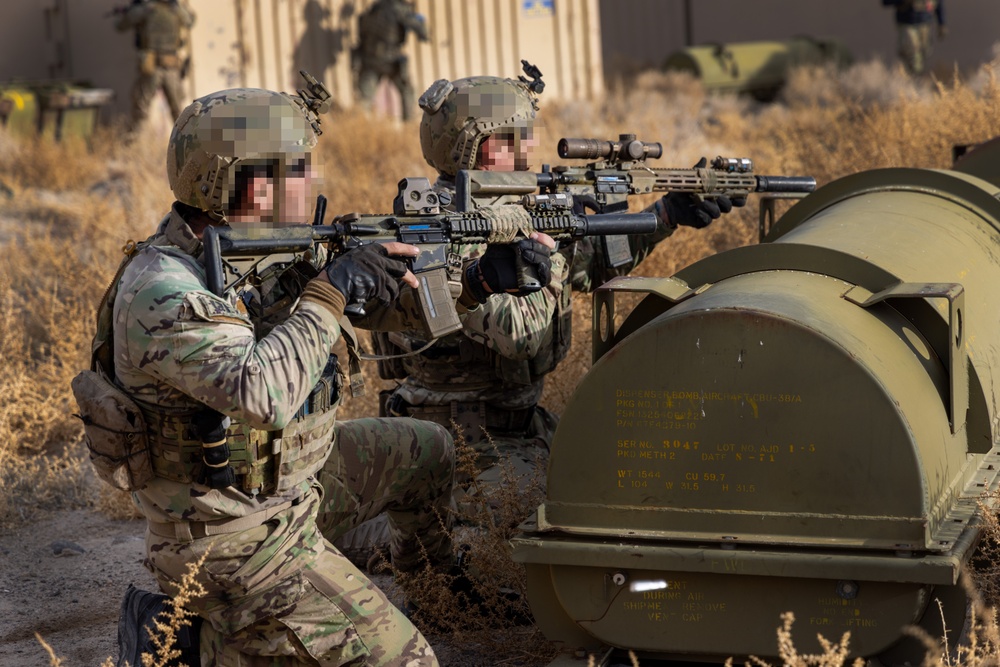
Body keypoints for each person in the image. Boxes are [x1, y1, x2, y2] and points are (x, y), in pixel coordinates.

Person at [73, 81, 550, 665]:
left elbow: (383, 307)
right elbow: (262, 393)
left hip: (286, 486)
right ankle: (194, 646)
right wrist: (331, 290)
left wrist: (479, 281)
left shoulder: (269, 250)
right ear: (247, 182)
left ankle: (437, 597)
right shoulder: (165, 291)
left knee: (429, 451)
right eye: (297, 167)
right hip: (229, 541)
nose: (312, 181)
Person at [332, 72, 744, 565]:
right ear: (470, 148)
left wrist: (666, 215)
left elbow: (590, 264)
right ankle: (401, 535)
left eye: (528, 135)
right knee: (531, 549)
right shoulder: (434, 230)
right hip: (460, 443)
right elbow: (523, 337)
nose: (528, 149)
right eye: (511, 140)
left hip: (522, 431)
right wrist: (517, 265)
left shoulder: (517, 208)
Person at [114, 0, 195, 130]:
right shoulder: (173, 8)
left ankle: (131, 145)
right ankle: (187, 144)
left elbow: (120, 25)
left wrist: (128, 12)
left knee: (143, 110)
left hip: (155, 66)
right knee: (177, 112)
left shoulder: (145, 8)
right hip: (163, 66)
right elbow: (190, 21)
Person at [352, 0, 428, 121]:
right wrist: (420, 20)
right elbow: (424, 34)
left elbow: (361, 35)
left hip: (370, 60)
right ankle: (409, 125)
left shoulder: (374, 9)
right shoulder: (399, 9)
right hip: (391, 61)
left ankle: (362, 126)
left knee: (365, 100)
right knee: (407, 92)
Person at [882, 0, 946, 75]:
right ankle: (912, 78)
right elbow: (886, 2)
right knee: (913, 55)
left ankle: (911, 76)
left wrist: (942, 23)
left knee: (924, 52)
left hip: (924, 24)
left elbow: (938, 3)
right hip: (907, 23)